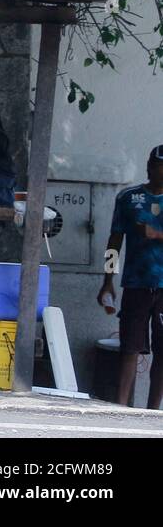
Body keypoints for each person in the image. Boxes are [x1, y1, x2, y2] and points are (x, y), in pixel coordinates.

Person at [98, 145, 163, 409]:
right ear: (149, 168)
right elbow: (114, 241)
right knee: (130, 346)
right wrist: (107, 281)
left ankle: (153, 411)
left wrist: (156, 234)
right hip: (136, 283)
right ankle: (121, 406)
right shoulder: (128, 197)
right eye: (158, 168)